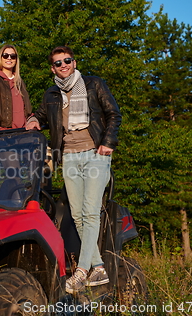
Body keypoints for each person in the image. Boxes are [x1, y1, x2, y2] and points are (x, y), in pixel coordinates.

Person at [26, 46, 122, 293]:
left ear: (74, 62)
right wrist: (34, 121)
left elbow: (113, 114)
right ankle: (98, 268)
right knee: (78, 215)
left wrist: (108, 144)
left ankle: (81, 271)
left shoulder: (93, 84)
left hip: (95, 154)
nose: (63, 65)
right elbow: (40, 116)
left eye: (67, 60)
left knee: (91, 212)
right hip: (68, 157)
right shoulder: (51, 94)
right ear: (52, 68)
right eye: (58, 63)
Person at [0, 44, 33, 131]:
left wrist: (32, 121)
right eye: (5, 55)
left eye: (13, 56)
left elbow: (27, 107)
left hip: (23, 130)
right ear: (0, 58)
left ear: (16, 60)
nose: (9, 58)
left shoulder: (19, 82)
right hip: (4, 130)